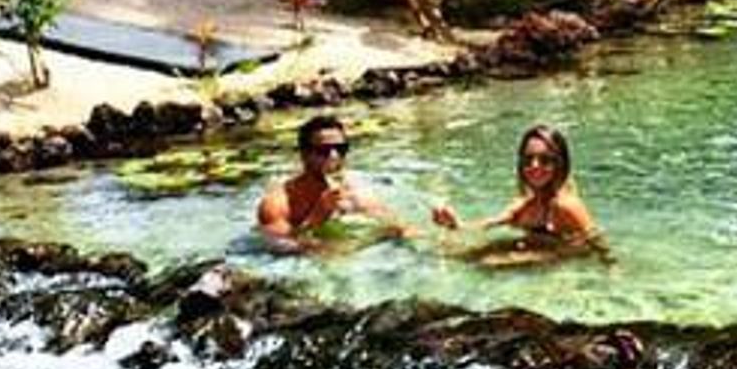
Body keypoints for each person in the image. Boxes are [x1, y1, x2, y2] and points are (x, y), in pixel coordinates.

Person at [431, 124, 601, 254]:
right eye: (528, 159)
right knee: (465, 254)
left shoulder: (566, 205)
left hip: (560, 258)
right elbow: (493, 222)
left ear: (560, 164)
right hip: (538, 252)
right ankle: (409, 234)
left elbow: (598, 242)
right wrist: (455, 225)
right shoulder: (527, 202)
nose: (535, 166)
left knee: (488, 262)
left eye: (545, 160)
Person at [257, 114, 405, 251]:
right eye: (323, 150)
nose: (334, 156)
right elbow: (278, 245)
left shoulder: (355, 193)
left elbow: (397, 226)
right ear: (304, 154)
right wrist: (317, 216)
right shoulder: (277, 203)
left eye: (341, 149)